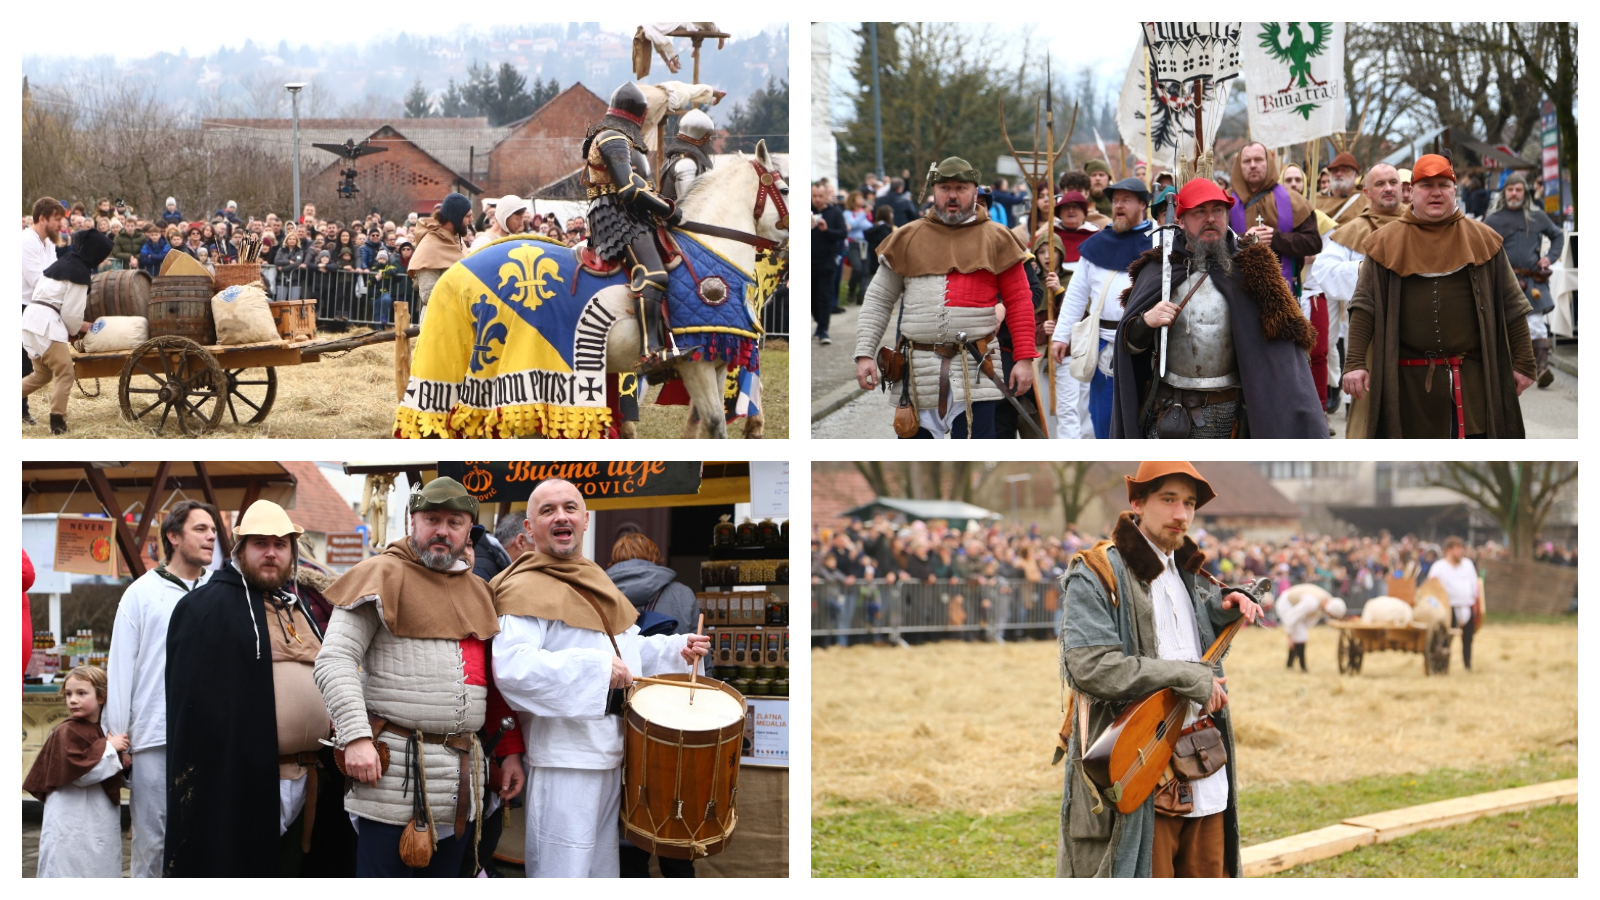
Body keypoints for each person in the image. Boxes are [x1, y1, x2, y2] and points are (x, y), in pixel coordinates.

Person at [491, 477, 709, 878]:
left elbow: (624, 652)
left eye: (570, 508)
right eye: (548, 510)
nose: (561, 517)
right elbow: (514, 668)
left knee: (600, 872)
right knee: (565, 871)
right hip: (564, 758)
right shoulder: (524, 587)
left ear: (585, 520)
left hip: (611, 751)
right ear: (528, 528)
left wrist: (673, 649)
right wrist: (594, 669)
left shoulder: (595, 578)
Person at [1057, 462, 1261, 877]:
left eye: (1188, 504)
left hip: (1203, 765)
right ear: (1137, 503)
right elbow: (1091, 667)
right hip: (1140, 767)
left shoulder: (1188, 572)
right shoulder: (1097, 571)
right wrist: (1186, 676)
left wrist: (1223, 608)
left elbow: (1183, 634)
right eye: (1168, 500)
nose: (1181, 515)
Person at [314, 478, 522, 877]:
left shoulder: (479, 591)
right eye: (432, 519)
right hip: (393, 778)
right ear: (413, 521)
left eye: (454, 522)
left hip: (461, 780)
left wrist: (508, 749)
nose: (442, 530)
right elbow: (334, 660)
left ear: (468, 532)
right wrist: (356, 737)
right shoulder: (378, 575)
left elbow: (488, 682)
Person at [164, 500, 350, 876]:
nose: (271, 553)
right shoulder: (204, 609)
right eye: (260, 543)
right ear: (240, 549)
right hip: (239, 786)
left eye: (280, 545)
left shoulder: (297, 607)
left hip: (309, 779)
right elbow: (193, 714)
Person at [1112, 178, 1326, 438]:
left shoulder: (1253, 270)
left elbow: (1287, 355)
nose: (1210, 219)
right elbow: (1129, 349)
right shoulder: (1159, 270)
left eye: (1218, 210)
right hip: (1166, 410)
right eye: (1199, 212)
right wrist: (1145, 322)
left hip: (1229, 412)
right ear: (1180, 220)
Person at [1342, 154, 1536, 439]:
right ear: (1412, 192)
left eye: (1444, 184)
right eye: (1426, 185)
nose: (1436, 192)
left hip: (1473, 381)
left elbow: (1512, 305)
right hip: (1406, 385)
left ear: (1454, 189)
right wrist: (1355, 363)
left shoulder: (1483, 239)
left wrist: (1525, 362)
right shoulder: (1385, 242)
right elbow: (1364, 307)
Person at [853, 157, 1038, 439]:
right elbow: (878, 299)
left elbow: (1020, 301)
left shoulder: (998, 237)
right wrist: (865, 352)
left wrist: (1025, 359)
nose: (952, 195)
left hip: (977, 368)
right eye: (945, 187)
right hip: (917, 371)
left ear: (975, 192)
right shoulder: (907, 238)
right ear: (934, 191)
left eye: (961, 187)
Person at [103, 501, 216, 877]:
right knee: (152, 843)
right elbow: (120, 667)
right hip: (153, 736)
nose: (211, 536)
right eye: (200, 529)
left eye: (213, 529)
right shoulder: (141, 594)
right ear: (173, 536)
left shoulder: (218, 593)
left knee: (203, 838)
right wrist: (118, 737)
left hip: (207, 738)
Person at [604, 531, 700, 878]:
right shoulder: (682, 593)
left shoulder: (600, 590)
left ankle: (632, 864)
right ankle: (677, 860)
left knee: (632, 790)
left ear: (613, 560)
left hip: (624, 707)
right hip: (673, 711)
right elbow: (696, 655)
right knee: (673, 791)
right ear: (655, 556)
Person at [583, 82, 684, 375]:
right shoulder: (613, 137)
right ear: (638, 115)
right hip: (615, 214)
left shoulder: (620, 137)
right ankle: (650, 352)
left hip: (631, 213)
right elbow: (627, 188)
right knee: (651, 273)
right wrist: (667, 209)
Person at [1050, 178, 1153, 440]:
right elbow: (1075, 296)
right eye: (1115, 200)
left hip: (1147, 346)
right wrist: (1062, 336)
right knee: (1104, 419)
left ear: (1142, 204)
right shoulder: (1097, 245)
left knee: (1145, 416)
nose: (1119, 206)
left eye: (1126, 200)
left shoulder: (1159, 243)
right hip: (1103, 346)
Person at [1308, 163, 1408, 413]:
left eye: (1393, 183)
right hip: (1373, 333)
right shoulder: (1355, 229)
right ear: (1366, 193)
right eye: (1380, 184)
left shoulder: (1420, 223)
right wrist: (1362, 269)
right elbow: (1323, 269)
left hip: (1418, 333)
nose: (1388, 189)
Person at [25, 665, 128, 878]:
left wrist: (123, 759)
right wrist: (110, 748)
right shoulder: (66, 731)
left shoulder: (105, 729)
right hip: (70, 818)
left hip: (98, 816)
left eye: (82, 693)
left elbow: (114, 772)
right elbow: (81, 774)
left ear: (101, 697)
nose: (73, 700)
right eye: (69, 694)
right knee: (68, 866)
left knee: (97, 863)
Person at [22, 228, 113, 435]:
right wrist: (77, 330)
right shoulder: (79, 274)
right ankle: (58, 421)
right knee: (66, 372)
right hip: (47, 326)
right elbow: (72, 313)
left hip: (30, 321)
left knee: (41, 375)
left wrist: (71, 328)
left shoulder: (60, 264)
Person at [1484, 172, 1565, 389]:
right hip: (1503, 279)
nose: (1514, 193)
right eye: (1510, 189)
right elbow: (1480, 246)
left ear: (1525, 192)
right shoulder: (1492, 219)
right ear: (1504, 192)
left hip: (1532, 281)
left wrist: (1550, 258)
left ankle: (1541, 369)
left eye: (1518, 189)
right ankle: (1509, 370)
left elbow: (1558, 235)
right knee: (1504, 325)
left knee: (1536, 324)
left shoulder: (1537, 216)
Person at [22, 197, 67, 419]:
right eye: (57, 220)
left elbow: (54, 274)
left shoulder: (48, 242)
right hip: (21, 307)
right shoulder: (26, 242)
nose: (61, 225)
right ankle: (21, 412)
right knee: (22, 364)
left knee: (35, 368)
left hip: (39, 308)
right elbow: (38, 282)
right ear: (42, 218)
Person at [408, 192, 471, 321]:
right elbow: (428, 294)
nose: (471, 220)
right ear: (456, 217)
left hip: (459, 318)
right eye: (467, 216)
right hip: (438, 320)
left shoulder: (457, 240)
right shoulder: (430, 245)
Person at [1425, 537, 1480, 671]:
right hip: (1449, 607)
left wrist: (1476, 603)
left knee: (1468, 639)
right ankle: (1443, 666)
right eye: (1458, 548)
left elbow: (1475, 585)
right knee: (1446, 639)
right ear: (1449, 550)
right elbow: (1431, 586)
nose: (1461, 551)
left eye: (1462, 548)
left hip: (1467, 605)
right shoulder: (1439, 567)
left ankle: (1467, 666)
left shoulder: (1467, 564)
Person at [1274, 584, 1344, 672]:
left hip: (1294, 608)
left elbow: (1308, 622)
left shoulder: (1325, 601)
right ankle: (1302, 667)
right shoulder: (1312, 602)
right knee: (1301, 634)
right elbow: (1292, 616)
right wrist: (1289, 635)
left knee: (1300, 634)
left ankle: (1290, 664)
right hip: (1286, 604)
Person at [811, 182, 846, 344]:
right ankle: (819, 322)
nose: (817, 199)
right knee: (812, 296)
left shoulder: (835, 213)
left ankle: (823, 329)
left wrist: (827, 230)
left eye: (820, 196)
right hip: (810, 261)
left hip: (827, 260)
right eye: (814, 196)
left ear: (826, 196)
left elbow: (842, 233)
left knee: (824, 295)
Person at [661, 108, 716, 202]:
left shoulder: (677, 158)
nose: (710, 140)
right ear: (699, 138)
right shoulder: (686, 164)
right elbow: (688, 206)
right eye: (708, 136)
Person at [1315, 151, 1368, 228]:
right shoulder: (1316, 199)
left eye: (1345, 170)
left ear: (1355, 176)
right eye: (1335, 170)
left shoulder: (1364, 200)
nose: (1339, 174)